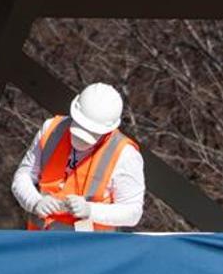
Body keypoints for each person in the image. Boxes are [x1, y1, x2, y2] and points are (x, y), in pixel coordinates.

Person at [11, 82, 145, 231]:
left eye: (92, 131)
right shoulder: (51, 129)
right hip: (40, 243)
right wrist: (35, 202)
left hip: (89, 248)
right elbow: (23, 175)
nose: (82, 136)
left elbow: (132, 212)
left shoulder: (125, 154)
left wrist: (90, 210)